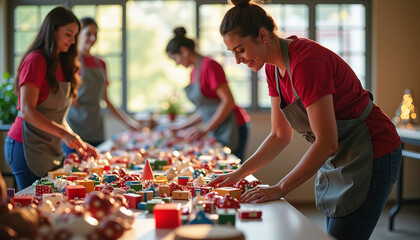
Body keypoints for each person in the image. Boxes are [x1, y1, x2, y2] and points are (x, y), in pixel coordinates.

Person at [208, 1, 402, 239]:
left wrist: (279, 188)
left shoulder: (306, 63)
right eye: (233, 53)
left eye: (240, 50)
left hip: (373, 149)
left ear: (262, 36)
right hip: (340, 154)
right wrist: (238, 174)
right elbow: (279, 135)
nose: (238, 60)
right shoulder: (271, 69)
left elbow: (327, 141)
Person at [4, 6, 98, 190]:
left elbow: (58, 117)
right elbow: (28, 111)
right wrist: (64, 134)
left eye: (75, 36)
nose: (72, 41)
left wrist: (77, 141)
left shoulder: (63, 63)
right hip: (25, 145)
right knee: (36, 202)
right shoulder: (35, 61)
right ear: (52, 31)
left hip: (50, 146)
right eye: (68, 34)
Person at [165, 27, 250, 161]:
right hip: (218, 127)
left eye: (175, 58)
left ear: (184, 51)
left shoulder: (209, 65)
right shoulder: (194, 72)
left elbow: (228, 101)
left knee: (231, 168)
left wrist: (205, 129)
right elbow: (206, 109)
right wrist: (181, 127)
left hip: (233, 126)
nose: (177, 63)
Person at [63, 17, 142, 156]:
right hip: (74, 131)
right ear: (78, 35)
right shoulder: (70, 61)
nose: (93, 38)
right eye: (88, 34)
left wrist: (129, 123)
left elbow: (106, 99)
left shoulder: (101, 64)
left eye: (95, 34)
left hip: (96, 130)